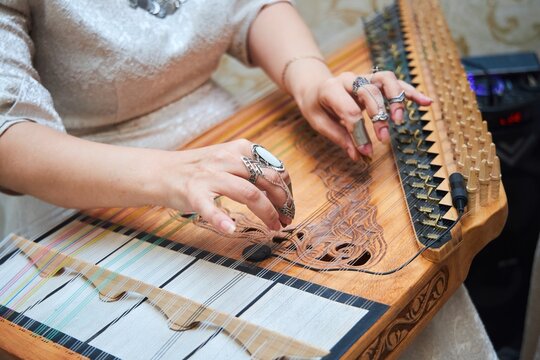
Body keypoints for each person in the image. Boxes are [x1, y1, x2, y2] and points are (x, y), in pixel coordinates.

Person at [0, 1, 497, 358]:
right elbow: (9, 137)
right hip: (91, 178)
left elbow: (250, 9)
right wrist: (174, 169)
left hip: (240, 143)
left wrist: (308, 77)